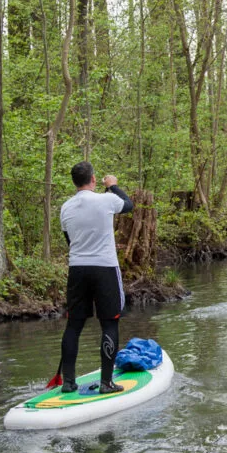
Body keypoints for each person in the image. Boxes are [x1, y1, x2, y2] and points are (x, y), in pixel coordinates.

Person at [59, 161, 135, 394]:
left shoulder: (66, 207)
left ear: (74, 182)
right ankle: (106, 383)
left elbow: (70, 241)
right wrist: (113, 185)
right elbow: (128, 205)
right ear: (93, 179)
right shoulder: (107, 199)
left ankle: (68, 382)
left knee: (74, 325)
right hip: (105, 268)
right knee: (109, 323)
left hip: (77, 269)